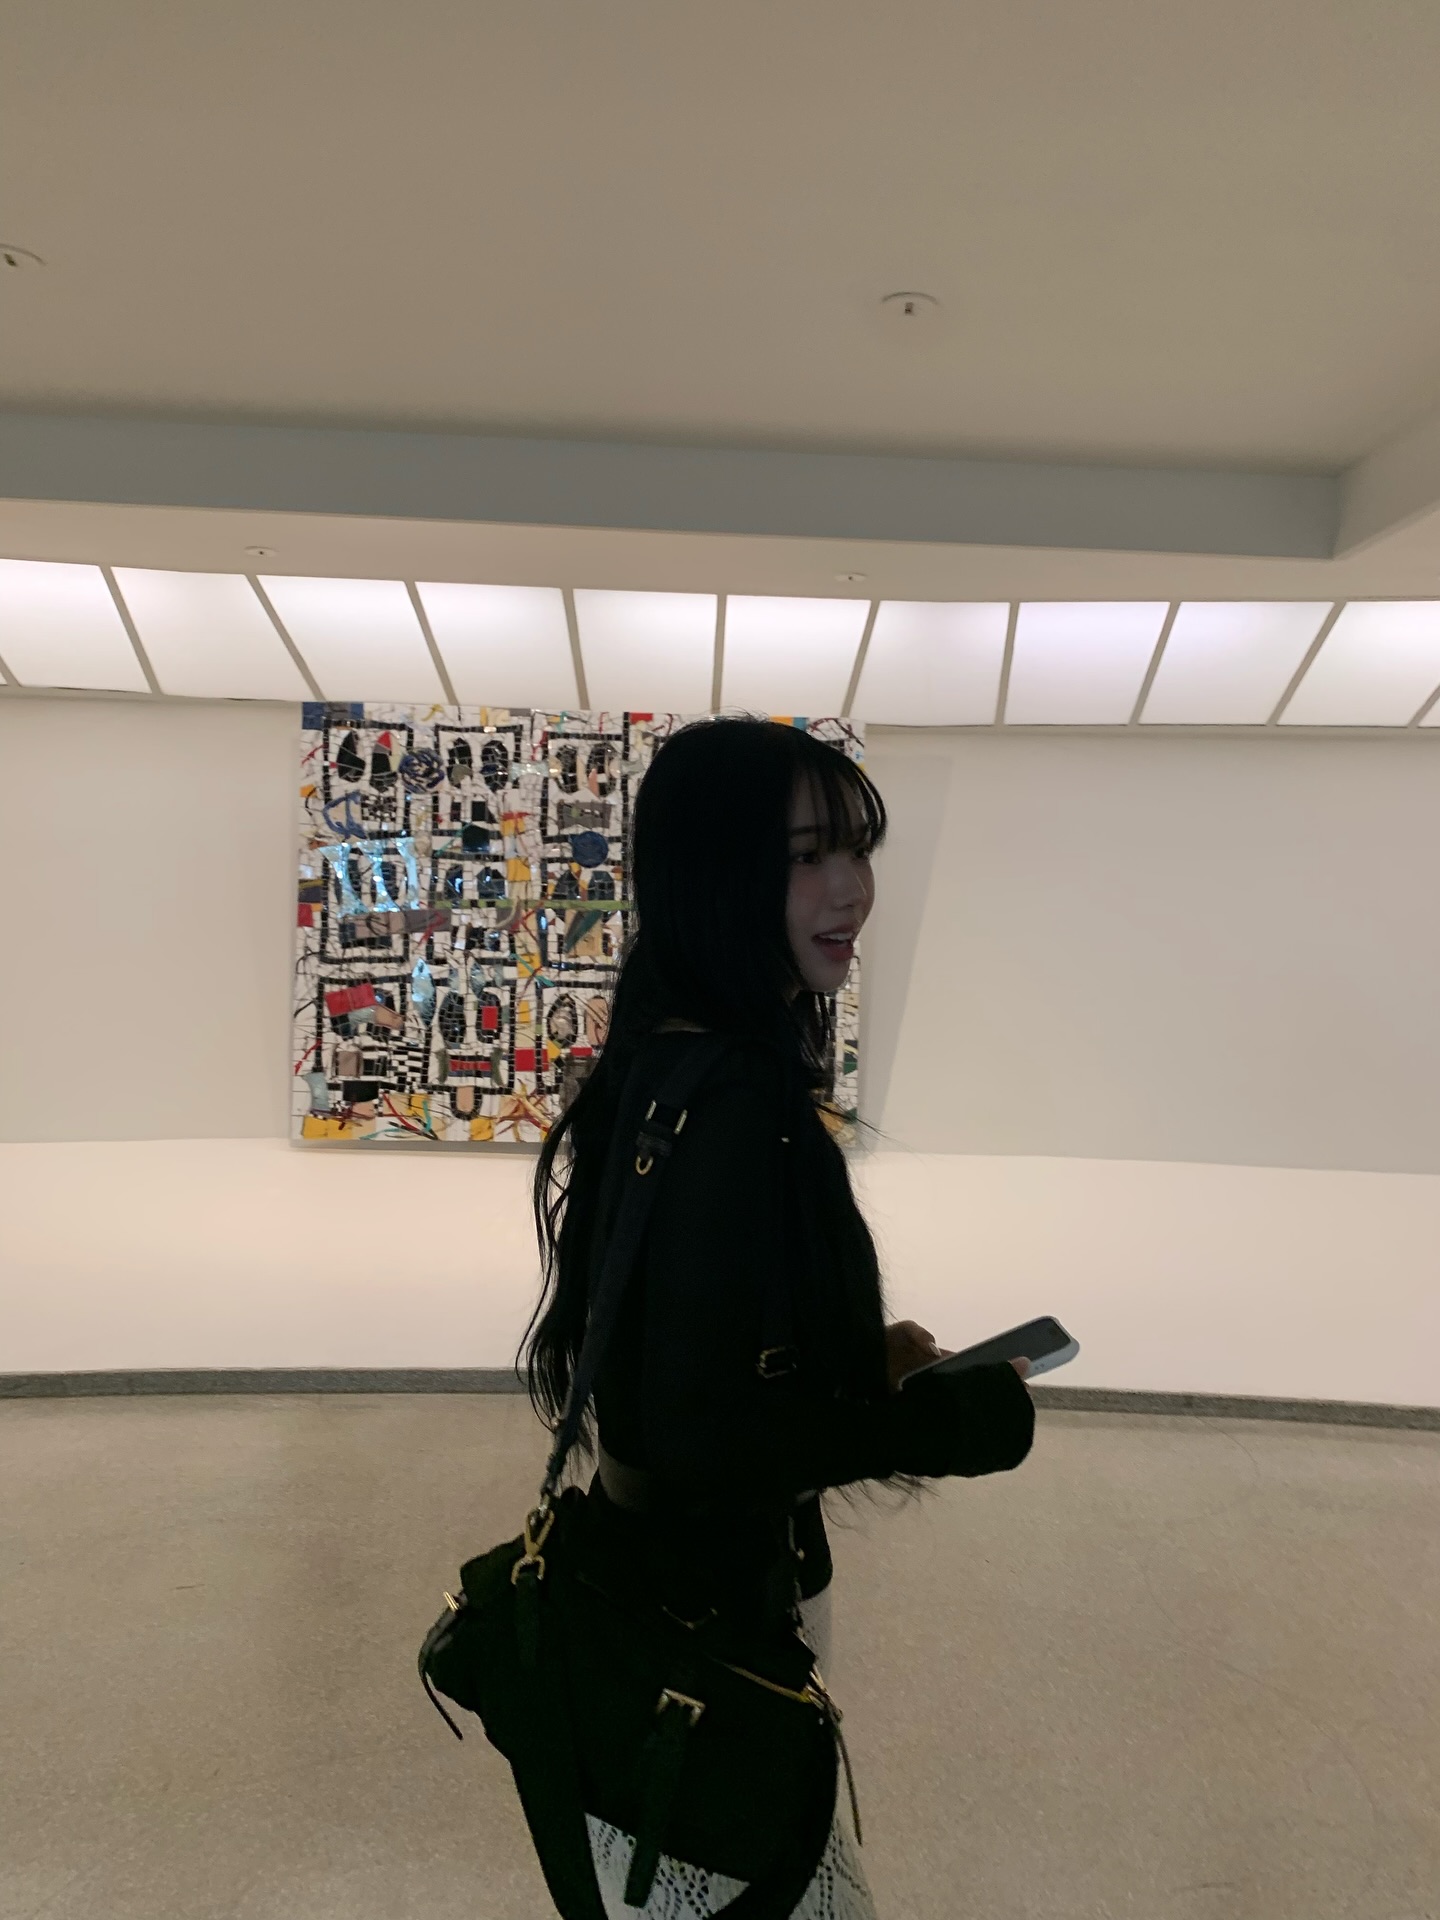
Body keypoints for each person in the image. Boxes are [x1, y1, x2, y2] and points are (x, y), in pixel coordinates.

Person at [526, 717, 1035, 1919]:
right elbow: (703, 1435)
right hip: (710, 1634)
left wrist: (856, 1357)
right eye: (808, 855)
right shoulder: (741, 1100)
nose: (851, 888)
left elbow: (679, 1347)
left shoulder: (662, 1059)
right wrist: (953, 1423)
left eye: (857, 849)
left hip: (656, 1593)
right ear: (716, 875)